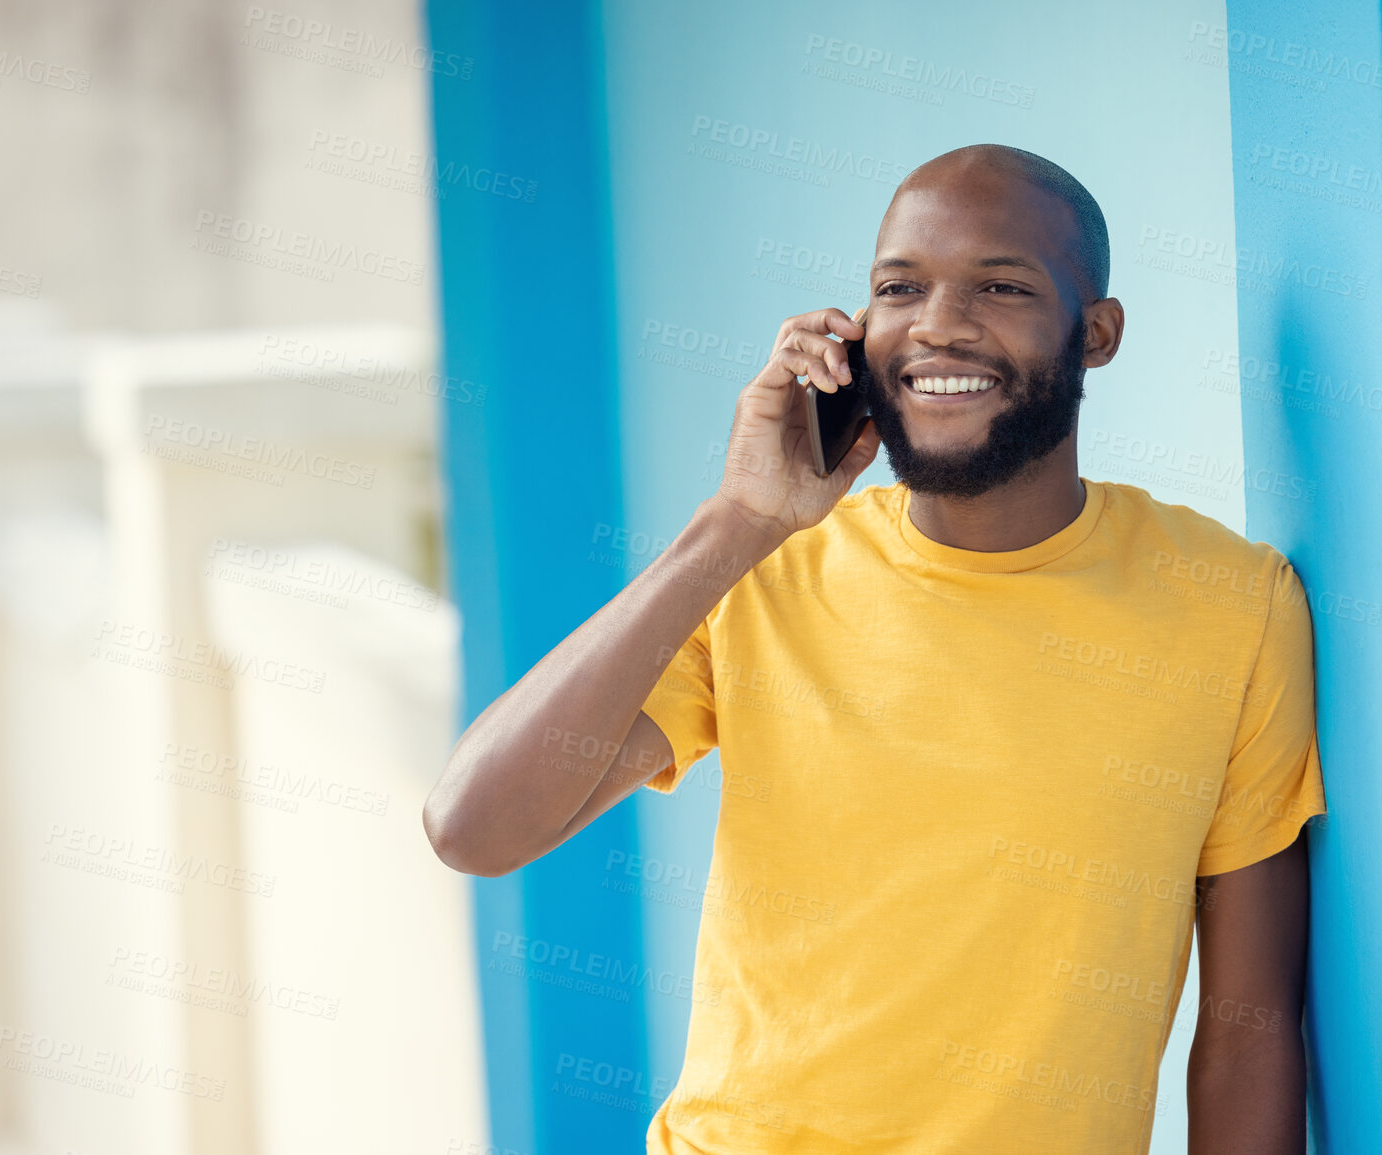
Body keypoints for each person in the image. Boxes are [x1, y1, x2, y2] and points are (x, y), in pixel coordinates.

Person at [423, 143, 1327, 1154]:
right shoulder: (764, 572)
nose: (939, 323)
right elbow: (475, 828)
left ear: (1097, 334)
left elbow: (1248, 1033)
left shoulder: (1232, 605)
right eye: (900, 286)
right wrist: (735, 523)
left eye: (1002, 285)